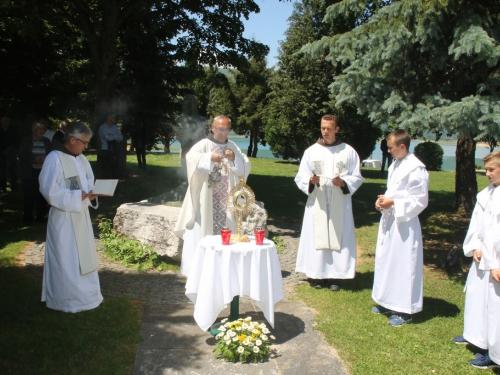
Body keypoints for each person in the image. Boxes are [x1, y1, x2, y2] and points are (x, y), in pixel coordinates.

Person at [294, 114, 364, 291]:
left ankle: (336, 276)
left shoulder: (348, 151)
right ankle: (318, 274)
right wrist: (310, 181)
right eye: (323, 128)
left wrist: (344, 183)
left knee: (339, 235)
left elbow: (357, 176)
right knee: (317, 234)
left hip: (339, 199)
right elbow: (300, 176)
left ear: (337, 129)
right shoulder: (311, 151)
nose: (325, 131)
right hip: (318, 200)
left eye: (329, 128)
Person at [174, 115, 251, 276]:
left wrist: (233, 158)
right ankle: (199, 271)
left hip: (226, 200)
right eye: (220, 129)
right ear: (213, 128)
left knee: (226, 230)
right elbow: (191, 160)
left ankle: (223, 270)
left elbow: (244, 168)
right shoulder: (203, 145)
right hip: (205, 200)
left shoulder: (232, 146)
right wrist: (208, 158)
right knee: (202, 232)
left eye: (227, 129)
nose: (223, 133)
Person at [38, 122, 103, 313]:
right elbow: (49, 190)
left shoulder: (81, 159)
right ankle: (66, 300)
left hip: (80, 216)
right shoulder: (54, 158)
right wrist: (77, 196)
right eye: (84, 142)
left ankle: (86, 297)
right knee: (66, 259)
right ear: (72, 140)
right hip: (64, 219)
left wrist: (91, 192)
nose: (86, 146)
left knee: (83, 257)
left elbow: (88, 180)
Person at [372, 129, 429, 326]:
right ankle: (387, 300)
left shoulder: (416, 169)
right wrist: (383, 202)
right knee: (387, 260)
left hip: (405, 224)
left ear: (402, 147)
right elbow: (394, 192)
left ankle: (405, 309)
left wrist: (394, 203)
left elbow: (420, 200)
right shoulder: (396, 165)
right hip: (391, 220)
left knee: (403, 264)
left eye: (391, 148)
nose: (388, 151)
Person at [453, 152, 500, 369]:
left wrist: (493, 260)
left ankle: (494, 352)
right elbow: (477, 226)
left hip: (495, 260)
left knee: (494, 307)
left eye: (491, 169)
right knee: (476, 297)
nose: (487, 174)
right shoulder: (485, 195)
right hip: (482, 256)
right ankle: (475, 336)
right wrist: (474, 246)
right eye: (486, 169)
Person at [18, 121, 52, 224]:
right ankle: (28, 217)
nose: (41, 131)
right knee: (29, 195)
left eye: (42, 129)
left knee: (41, 194)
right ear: (33, 130)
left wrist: (46, 157)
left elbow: (51, 153)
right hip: (30, 172)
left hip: (43, 172)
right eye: (39, 129)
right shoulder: (26, 140)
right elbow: (21, 155)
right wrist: (33, 158)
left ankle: (41, 216)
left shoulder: (46, 141)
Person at [98, 113, 123, 178]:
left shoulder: (115, 127)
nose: (114, 119)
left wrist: (111, 135)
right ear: (108, 118)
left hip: (114, 150)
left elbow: (121, 137)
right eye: (112, 117)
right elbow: (107, 138)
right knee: (106, 169)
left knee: (115, 169)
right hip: (106, 150)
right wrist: (115, 136)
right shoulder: (102, 127)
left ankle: (115, 185)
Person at [0, 116, 18, 193]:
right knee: (2, 172)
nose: (5, 123)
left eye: (6, 121)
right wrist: (2, 151)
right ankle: (2, 188)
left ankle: (14, 188)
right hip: (1, 155)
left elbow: (15, 143)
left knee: (13, 171)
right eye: (3, 121)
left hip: (11, 154)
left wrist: (9, 150)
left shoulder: (13, 132)